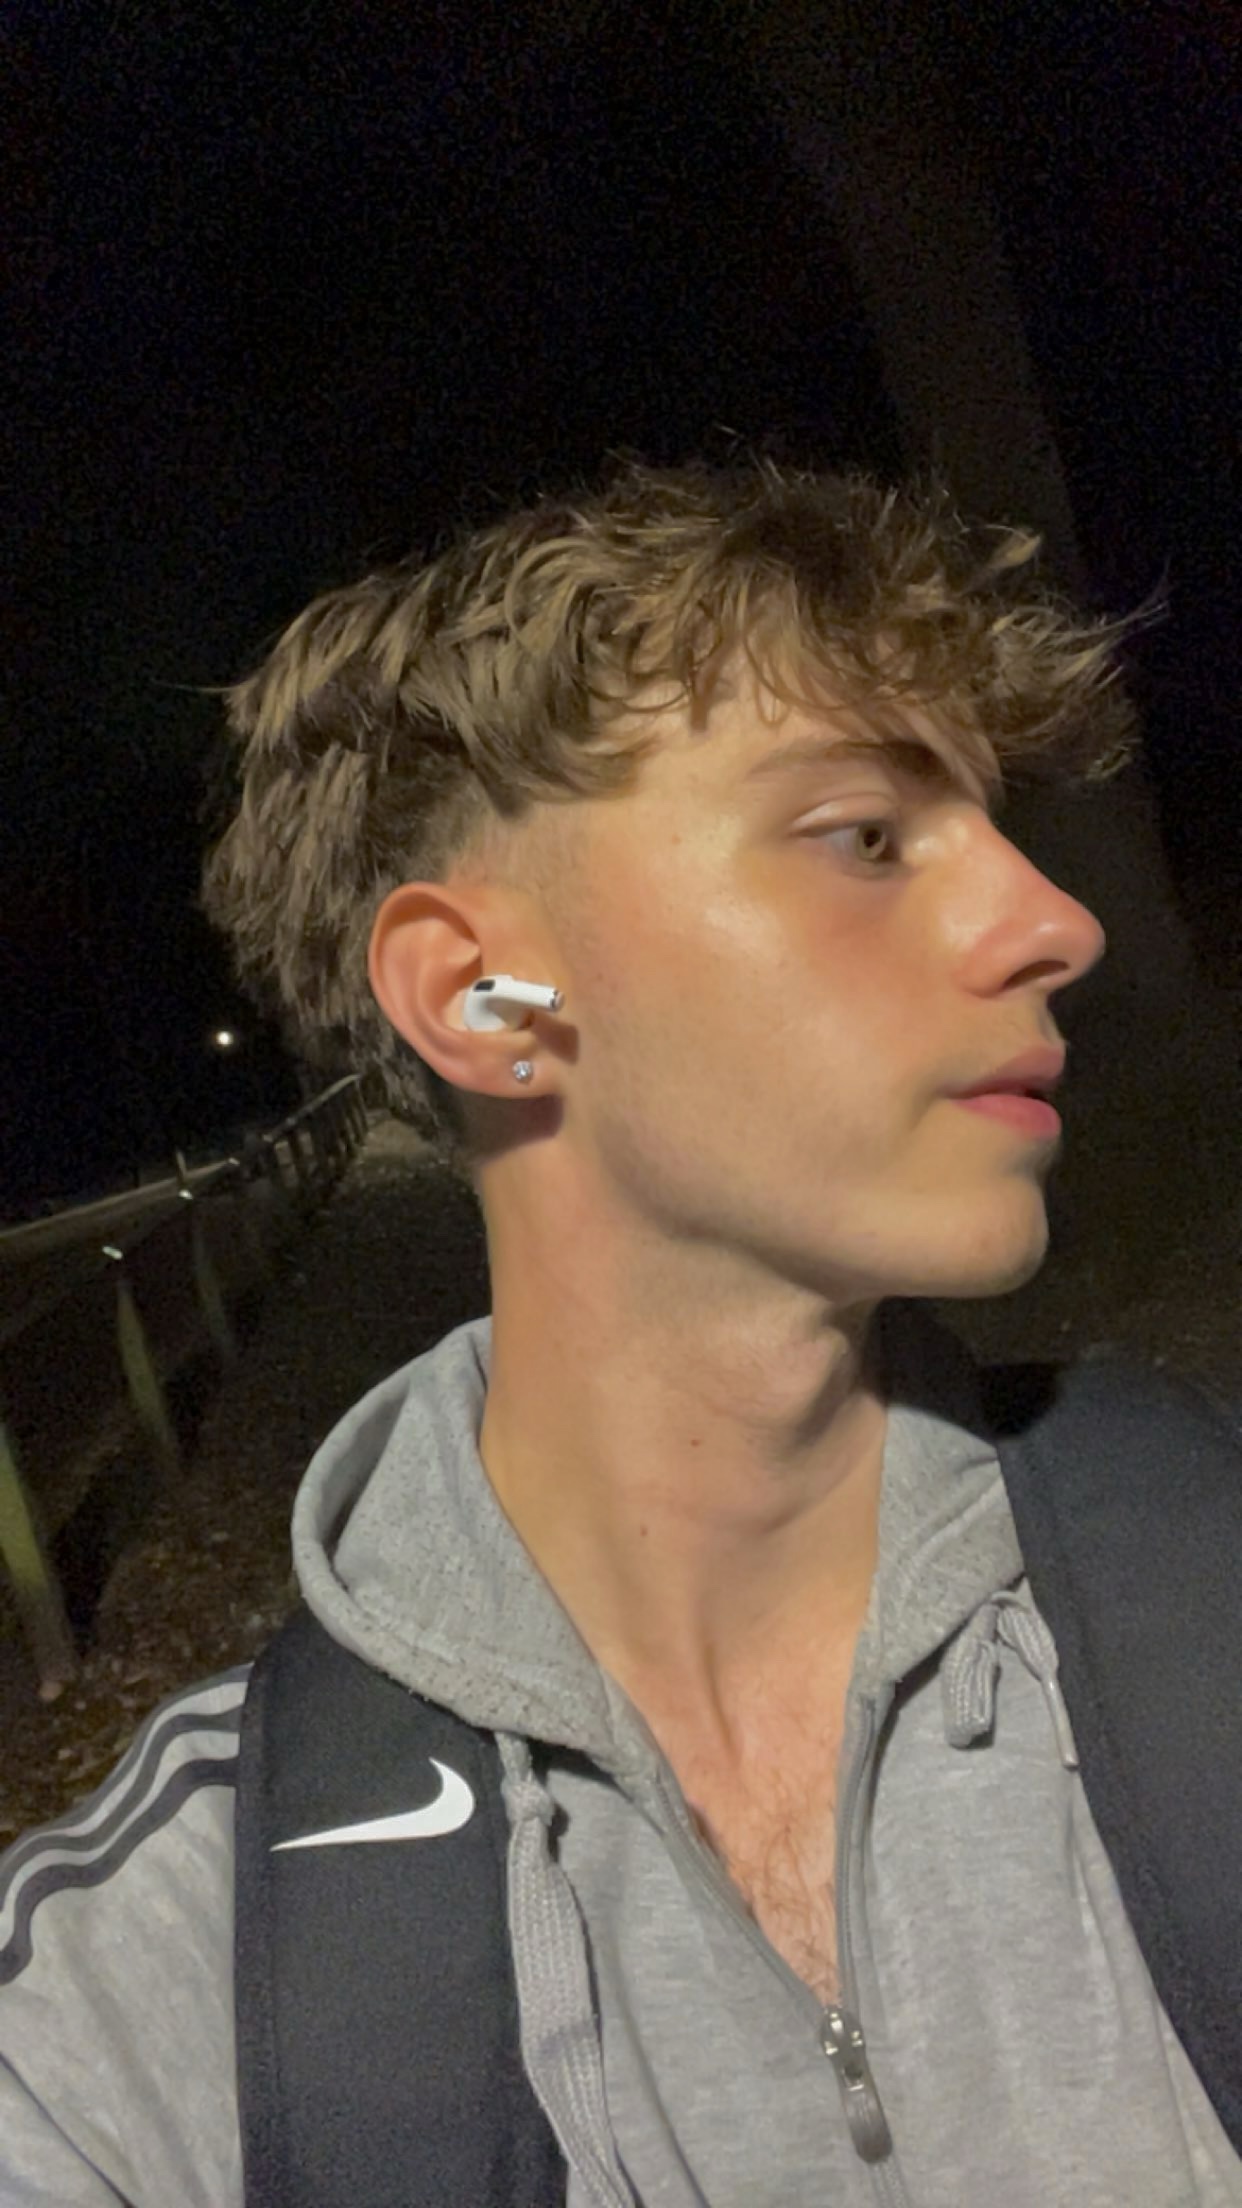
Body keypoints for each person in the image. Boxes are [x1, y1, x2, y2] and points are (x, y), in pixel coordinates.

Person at [2, 458, 1238, 2206]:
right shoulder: (144, 1992)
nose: (1054, 922)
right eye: (863, 837)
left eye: (992, 824)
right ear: (482, 998)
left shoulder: (1201, 1599)